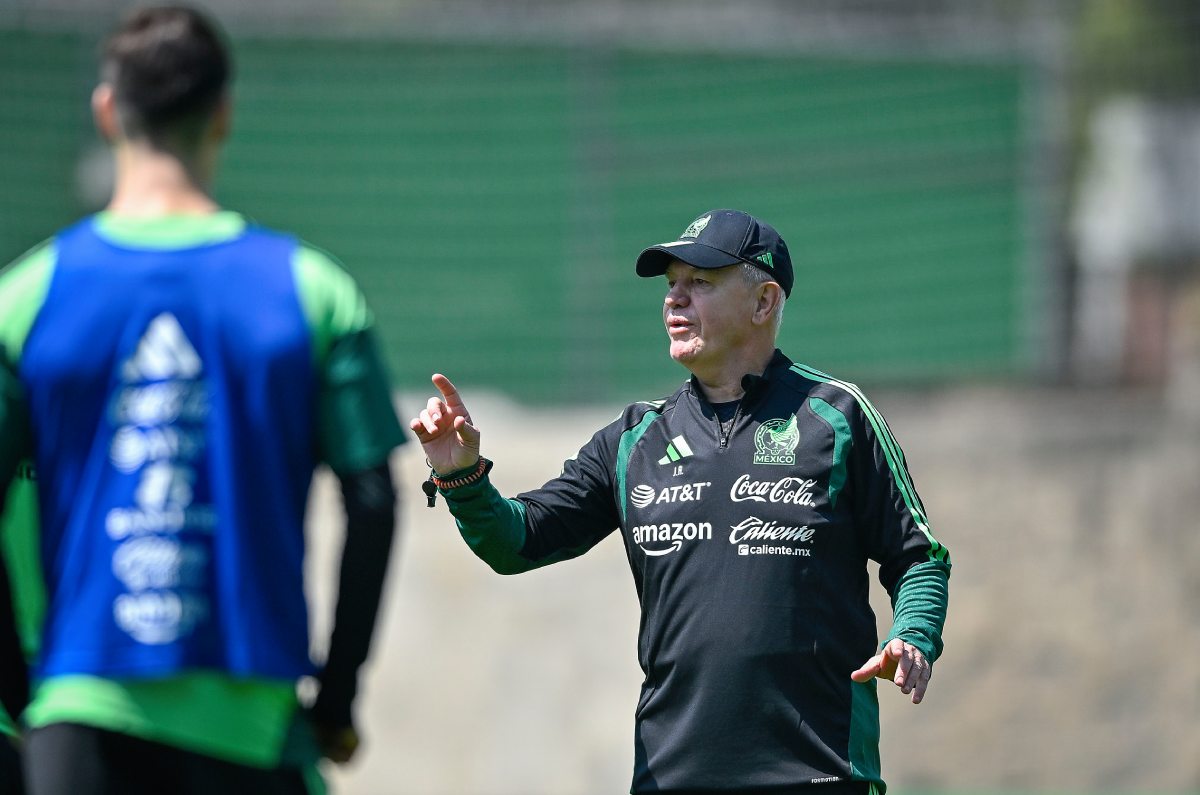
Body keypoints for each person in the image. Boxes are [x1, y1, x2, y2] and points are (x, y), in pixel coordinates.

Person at [0, 7, 407, 793]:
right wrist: (338, 694)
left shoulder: (26, 297)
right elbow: (373, 500)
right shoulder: (312, 291)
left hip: (80, 712)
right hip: (252, 725)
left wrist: (25, 690)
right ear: (224, 113)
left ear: (107, 110)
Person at [411, 209, 951, 795]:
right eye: (671, 285)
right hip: (671, 777)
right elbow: (518, 539)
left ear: (764, 302)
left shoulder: (837, 417)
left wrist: (914, 633)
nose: (675, 301)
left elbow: (917, 555)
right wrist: (462, 477)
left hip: (819, 772)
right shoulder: (635, 439)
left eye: (701, 282)